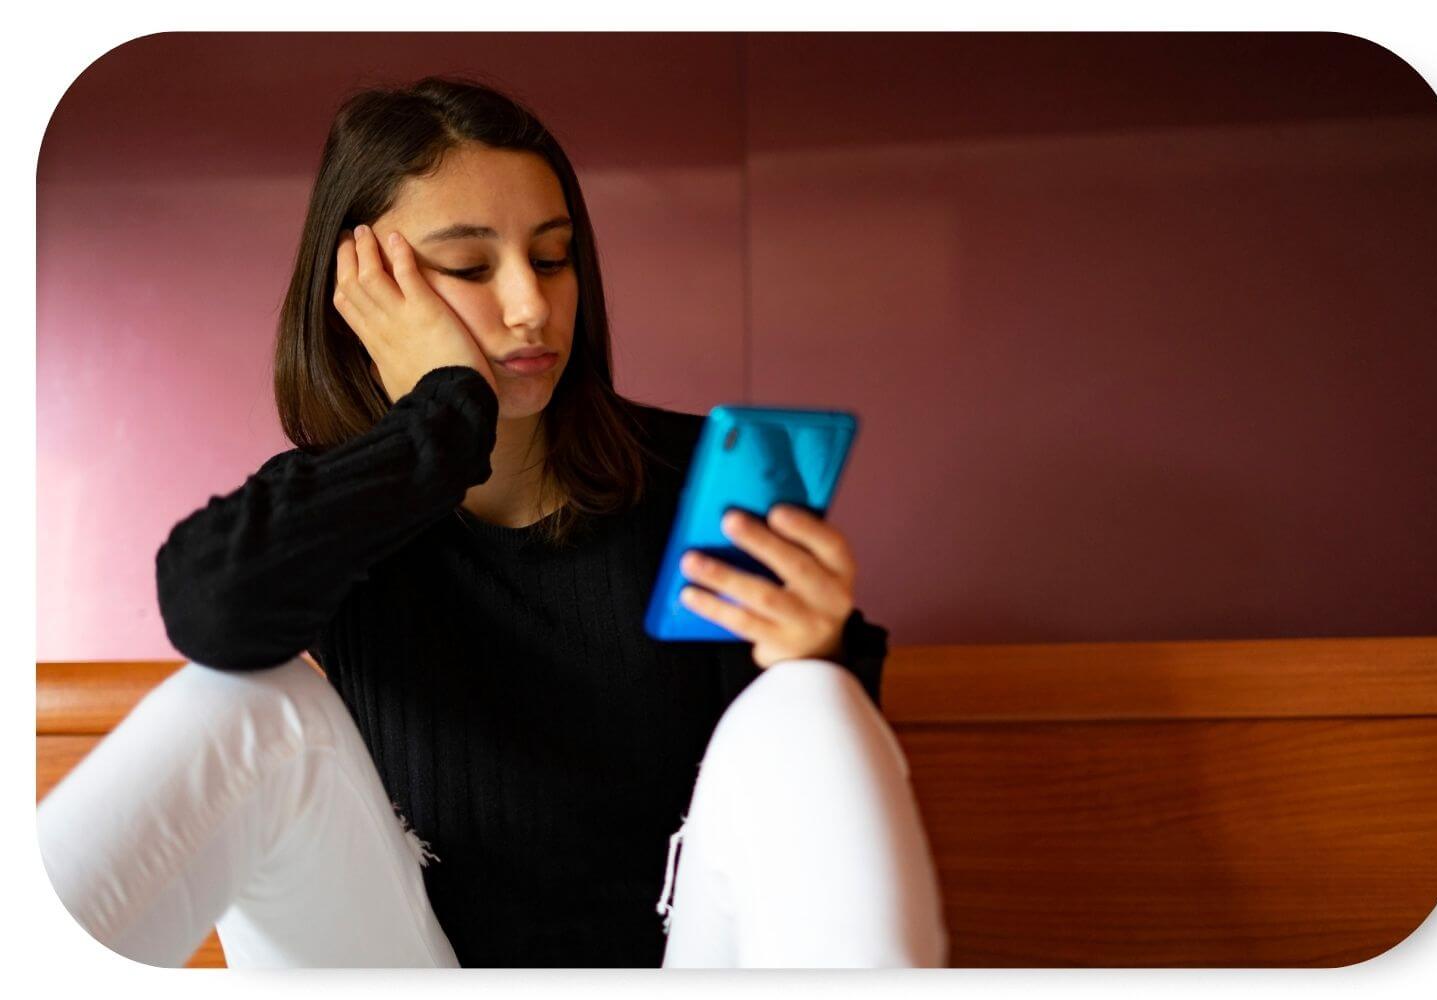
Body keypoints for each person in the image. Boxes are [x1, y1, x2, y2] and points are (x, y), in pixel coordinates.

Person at [36, 75, 947, 969]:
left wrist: (816, 652)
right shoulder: (350, 501)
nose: (531, 305)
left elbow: (800, 812)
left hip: (680, 962)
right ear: (364, 294)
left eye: (552, 258)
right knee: (243, 700)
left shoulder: (691, 480)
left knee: (809, 695)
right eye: (470, 267)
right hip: (415, 966)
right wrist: (439, 414)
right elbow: (213, 614)